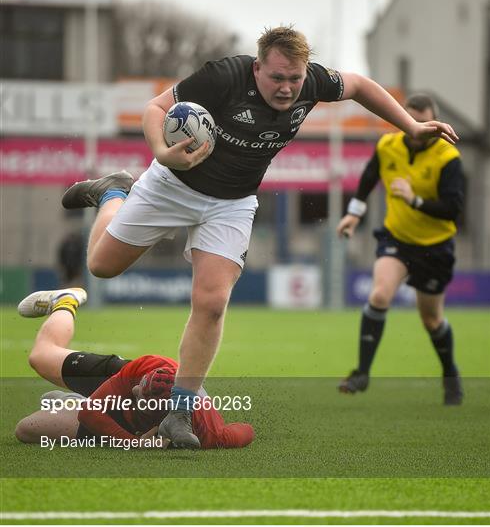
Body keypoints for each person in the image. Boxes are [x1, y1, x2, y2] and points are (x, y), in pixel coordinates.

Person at [60, 26, 459, 447]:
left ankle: (179, 411)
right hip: (172, 185)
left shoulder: (315, 81)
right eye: (277, 78)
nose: (287, 88)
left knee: (212, 302)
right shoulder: (223, 77)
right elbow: (155, 108)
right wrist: (161, 151)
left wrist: (411, 127)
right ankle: (114, 192)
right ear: (257, 68)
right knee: (101, 267)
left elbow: (359, 85)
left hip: (231, 202)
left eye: (295, 79)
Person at [336, 93, 464, 405]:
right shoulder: (387, 145)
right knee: (379, 295)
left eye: (425, 123)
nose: (418, 128)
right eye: (411, 122)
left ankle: (450, 374)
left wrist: (414, 200)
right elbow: (367, 181)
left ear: (434, 124)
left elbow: (453, 208)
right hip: (397, 238)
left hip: (435, 246)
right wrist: (354, 213)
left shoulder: (448, 157)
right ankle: (361, 373)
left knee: (431, 320)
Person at [15, 288, 255, 449]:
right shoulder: (142, 372)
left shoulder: (208, 432)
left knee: (27, 429)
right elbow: (89, 412)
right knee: (41, 357)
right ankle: (66, 301)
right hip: (120, 375)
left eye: (140, 397)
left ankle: (73, 400)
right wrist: (133, 444)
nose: (135, 392)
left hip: (133, 420)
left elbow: (246, 432)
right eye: (141, 389)